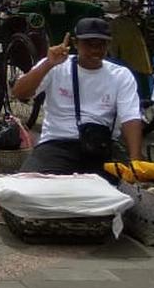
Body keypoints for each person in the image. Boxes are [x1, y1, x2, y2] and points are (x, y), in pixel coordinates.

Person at [11, 18, 143, 174]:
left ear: (108, 45)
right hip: (57, 143)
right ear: (75, 43)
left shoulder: (121, 75)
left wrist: (136, 162)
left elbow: (131, 118)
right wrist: (48, 64)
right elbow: (19, 93)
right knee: (29, 187)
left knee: (120, 193)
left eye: (101, 44)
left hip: (101, 145)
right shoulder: (56, 65)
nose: (95, 50)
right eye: (88, 44)